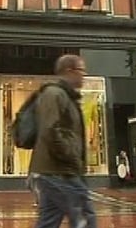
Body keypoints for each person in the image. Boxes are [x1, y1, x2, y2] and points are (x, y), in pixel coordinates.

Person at [31, 54, 95, 228]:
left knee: (48, 221)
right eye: (81, 70)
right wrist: (71, 156)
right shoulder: (54, 94)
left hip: (55, 171)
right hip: (59, 171)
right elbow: (50, 130)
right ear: (69, 71)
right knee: (84, 215)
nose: (84, 74)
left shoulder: (66, 95)